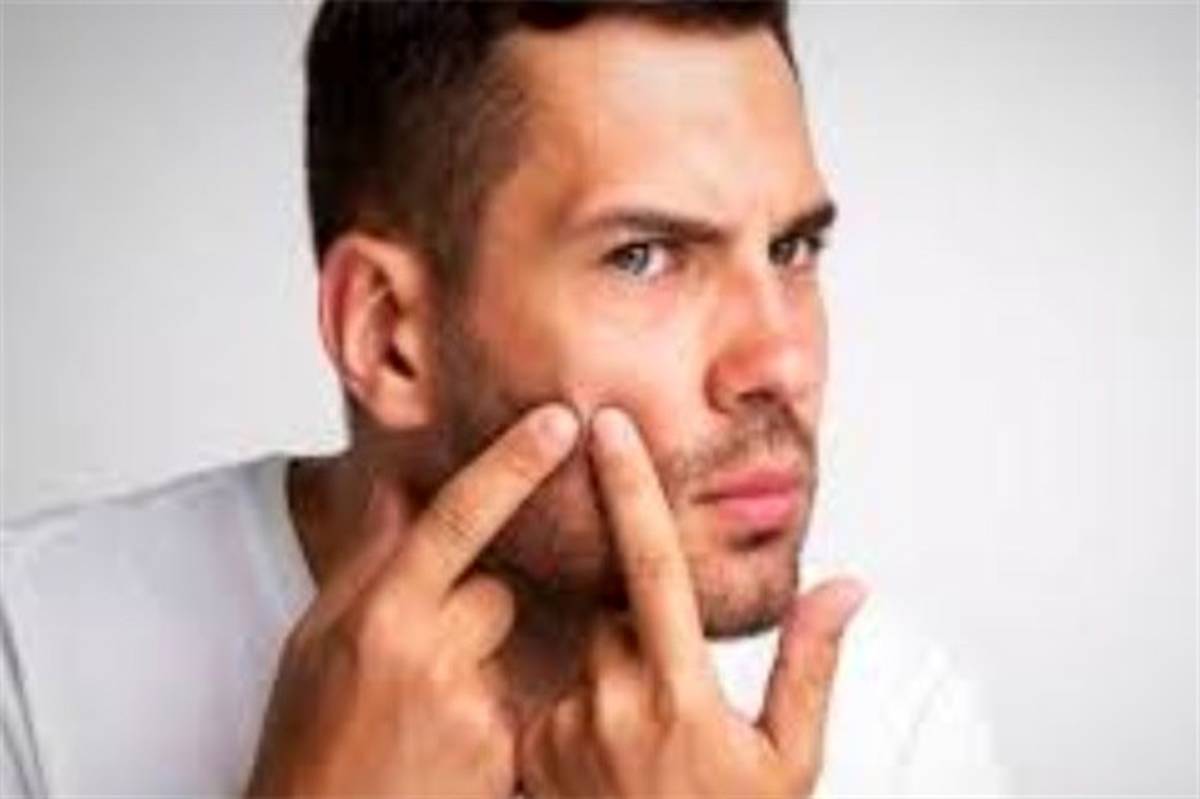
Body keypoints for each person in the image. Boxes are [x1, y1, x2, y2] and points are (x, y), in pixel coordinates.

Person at [0, 1, 1007, 796]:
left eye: (792, 248)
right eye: (644, 256)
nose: (782, 359)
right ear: (389, 335)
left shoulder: (897, 725)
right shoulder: (30, 663)